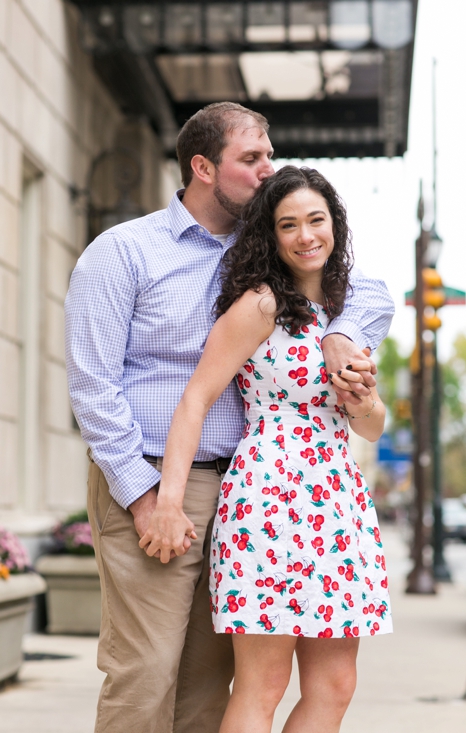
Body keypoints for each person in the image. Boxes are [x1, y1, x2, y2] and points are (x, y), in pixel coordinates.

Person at [65, 103, 394, 733]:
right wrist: (146, 495)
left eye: (270, 154)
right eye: (253, 158)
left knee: (212, 683)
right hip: (160, 478)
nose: (268, 167)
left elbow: (362, 287)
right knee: (145, 672)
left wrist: (344, 334)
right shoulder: (125, 251)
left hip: (245, 486)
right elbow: (93, 386)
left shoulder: (260, 253)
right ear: (203, 167)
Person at [139, 165, 390, 733]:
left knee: (335, 685)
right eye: (289, 225)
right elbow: (195, 400)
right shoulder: (260, 304)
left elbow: (372, 427)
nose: (306, 236)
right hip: (270, 496)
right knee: (264, 682)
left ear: (335, 224)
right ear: (271, 236)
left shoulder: (351, 311)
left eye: (316, 220)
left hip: (337, 497)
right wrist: (168, 501)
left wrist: (365, 399)